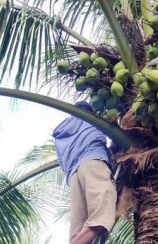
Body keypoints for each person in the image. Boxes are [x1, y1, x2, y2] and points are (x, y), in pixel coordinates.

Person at [53, 101, 117, 244]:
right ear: (90, 111)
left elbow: (62, 164)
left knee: (78, 231)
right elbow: (114, 135)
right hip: (93, 163)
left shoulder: (59, 135)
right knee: (101, 218)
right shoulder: (92, 120)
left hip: (73, 176)